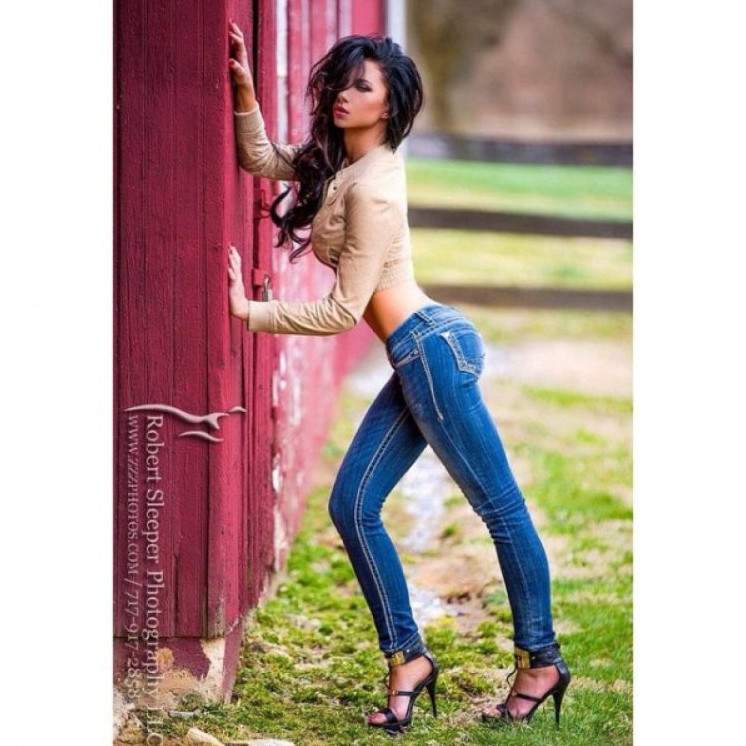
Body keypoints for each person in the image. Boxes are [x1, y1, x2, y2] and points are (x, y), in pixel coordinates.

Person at [226, 21, 571, 734]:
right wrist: (244, 92)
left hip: (431, 350)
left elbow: (340, 311)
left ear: (390, 104)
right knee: (352, 504)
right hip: (417, 355)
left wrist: (249, 312)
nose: (345, 95)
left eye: (363, 87)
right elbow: (262, 158)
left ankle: (541, 660)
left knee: (500, 511)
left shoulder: (375, 187)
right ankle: (408, 659)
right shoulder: (342, 165)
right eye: (342, 83)